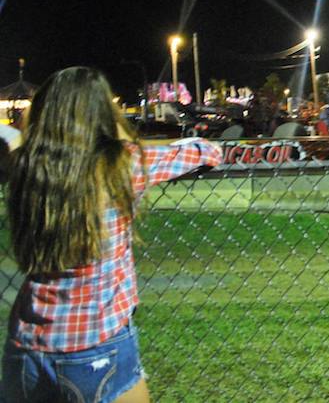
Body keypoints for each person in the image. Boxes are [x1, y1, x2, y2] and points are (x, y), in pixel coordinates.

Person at [1, 67, 222, 402]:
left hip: (26, 345)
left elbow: (9, 137)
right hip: (96, 342)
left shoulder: (26, 164)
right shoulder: (123, 162)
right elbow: (208, 152)